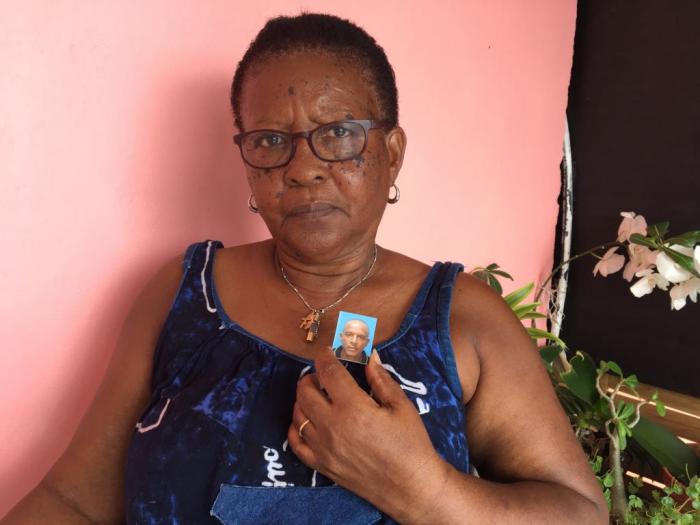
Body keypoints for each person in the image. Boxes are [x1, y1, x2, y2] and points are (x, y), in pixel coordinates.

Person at [2, 13, 608, 525]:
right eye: (270, 140)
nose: (302, 168)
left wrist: (426, 491)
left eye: (338, 133)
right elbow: (71, 502)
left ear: (391, 153)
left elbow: (580, 513)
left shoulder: (463, 319)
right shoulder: (182, 296)